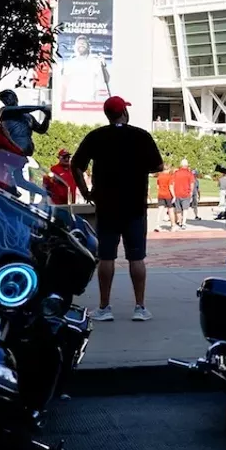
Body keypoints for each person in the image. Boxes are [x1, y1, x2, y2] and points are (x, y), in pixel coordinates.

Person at [72, 96, 163, 322]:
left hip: (106, 205)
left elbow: (76, 164)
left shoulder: (96, 136)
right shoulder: (141, 135)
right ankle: (140, 307)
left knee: (106, 257)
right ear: (124, 112)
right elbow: (158, 166)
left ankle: (104, 307)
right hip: (134, 206)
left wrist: (85, 192)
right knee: (137, 258)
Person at [0, 89, 51, 157]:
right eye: (3, 99)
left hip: (27, 151)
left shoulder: (28, 116)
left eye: (8, 97)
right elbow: (18, 109)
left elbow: (41, 130)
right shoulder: (4, 111)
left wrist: (47, 118)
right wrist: (41, 108)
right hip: (12, 151)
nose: (6, 100)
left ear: (15, 98)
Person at [60, 34, 110, 106]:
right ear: (75, 47)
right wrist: (62, 103)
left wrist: (104, 66)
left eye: (84, 43)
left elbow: (106, 80)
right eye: (79, 43)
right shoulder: (70, 63)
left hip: (90, 102)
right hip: (72, 101)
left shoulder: (95, 61)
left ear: (88, 46)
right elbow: (64, 85)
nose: (81, 44)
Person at [172, 158, 196, 230]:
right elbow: (192, 183)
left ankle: (180, 221)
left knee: (178, 209)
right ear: (187, 165)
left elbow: (172, 183)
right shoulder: (189, 174)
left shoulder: (176, 173)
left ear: (181, 165)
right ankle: (184, 223)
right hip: (186, 193)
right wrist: (191, 192)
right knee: (185, 209)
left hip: (177, 193)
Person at [155, 166, 175, 231]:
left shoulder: (159, 176)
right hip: (168, 195)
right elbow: (170, 186)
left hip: (160, 194)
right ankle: (173, 226)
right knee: (170, 210)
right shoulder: (170, 176)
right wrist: (174, 195)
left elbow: (157, 187)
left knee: (160, 210)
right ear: (168, 169)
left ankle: (157, 225)